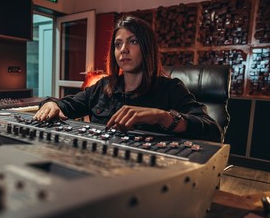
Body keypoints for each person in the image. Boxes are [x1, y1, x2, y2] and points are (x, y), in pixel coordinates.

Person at [33, 14, 223, 143]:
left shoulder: (171, 89)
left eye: (133, 41)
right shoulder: (103, 86)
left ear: (147, 47)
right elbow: (68, 104)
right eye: (118, 44)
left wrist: (162, 117)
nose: (123, 49)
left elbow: (213, 131)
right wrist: (52, 104)